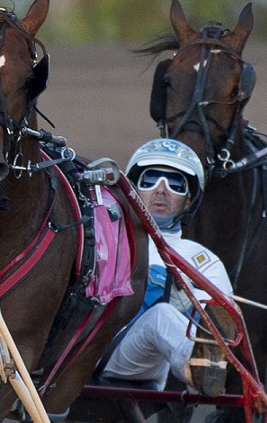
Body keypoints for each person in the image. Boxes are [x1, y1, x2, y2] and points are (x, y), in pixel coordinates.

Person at [99, 138, 232, 391]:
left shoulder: (202, 261)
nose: (161, 190)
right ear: (135, 191)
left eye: (175, 184)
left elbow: (222, 322)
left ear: (189, 201)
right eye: (150, 180)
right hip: (87, 348)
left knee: (164, 316)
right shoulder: (105, 235)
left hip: (136, 357)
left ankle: (202, 368)